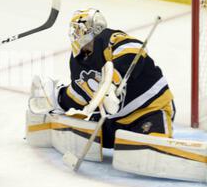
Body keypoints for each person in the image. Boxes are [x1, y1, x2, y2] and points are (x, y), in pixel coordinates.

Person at [52, 8, 175, 148]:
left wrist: (111, 85)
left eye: (78, 29)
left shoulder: (110, 38)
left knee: (153, 145)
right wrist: (57, 98)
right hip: (115, 121)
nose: (75, 34)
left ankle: (157, 140)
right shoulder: (77, 62)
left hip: (149, 110)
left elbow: (134, 49)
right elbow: (79, 95)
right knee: (82, 131)